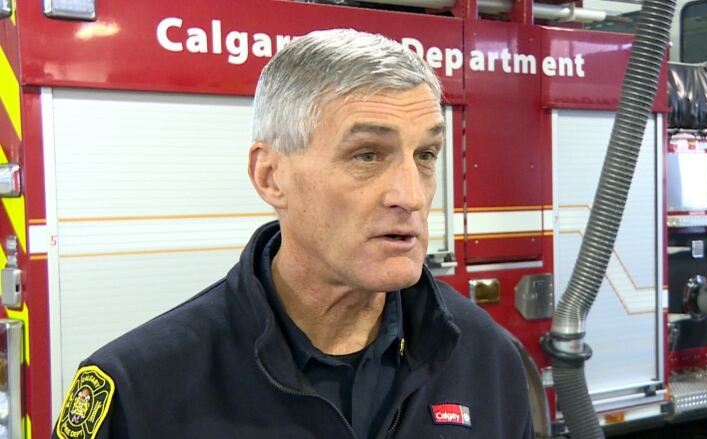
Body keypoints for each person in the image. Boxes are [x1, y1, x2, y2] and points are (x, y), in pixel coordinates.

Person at [52, 28, 534, 439]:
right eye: (367, 155)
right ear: (270, 176)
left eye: (425, 156)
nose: (410, 194)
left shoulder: (487, 357)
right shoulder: (139, 390)